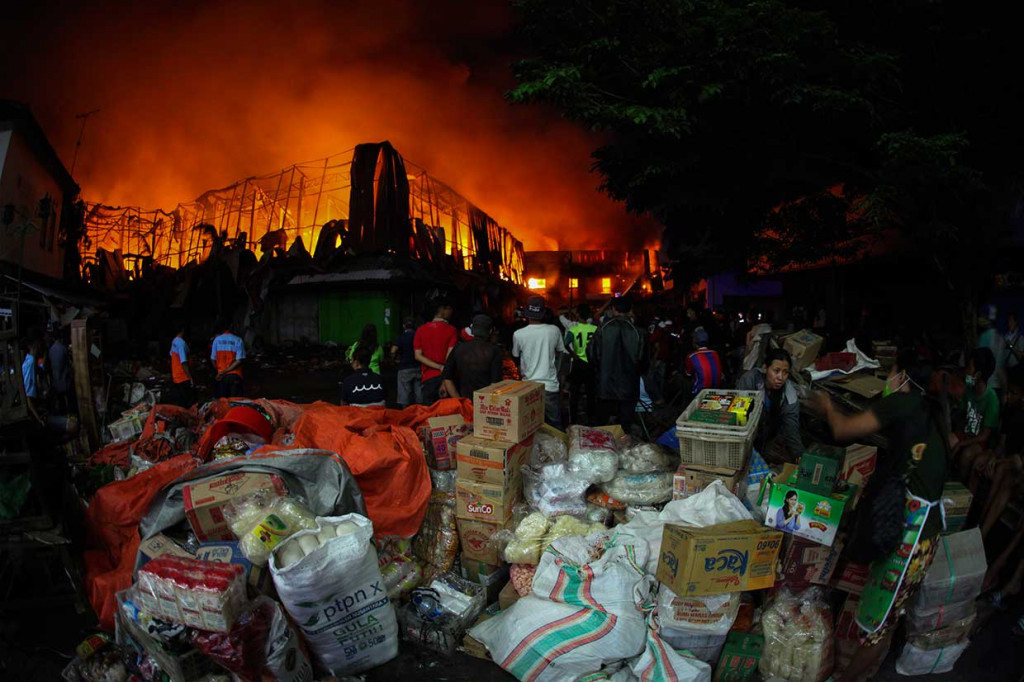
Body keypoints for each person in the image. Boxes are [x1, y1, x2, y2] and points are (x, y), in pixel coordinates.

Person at [814, 349, 950, 682]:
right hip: (927, 535)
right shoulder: (935, 410)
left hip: (909, 539)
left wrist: (827, 405)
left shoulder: (903, 403)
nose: (887, 379)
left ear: (902, 376)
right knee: (889, 617)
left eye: (890, 372)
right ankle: (867, 672)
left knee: (874, 623)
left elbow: (844, 430)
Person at [737, 348, 802, 462]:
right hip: (746, 434)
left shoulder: (789, 393)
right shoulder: (750, 380)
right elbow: (739, 416)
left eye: (785, 372)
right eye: (776, 371)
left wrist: (798, 453)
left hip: (768, 437)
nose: (780, 377)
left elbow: (791, 425)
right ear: (765, 368)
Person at [590, 297, 645, 431]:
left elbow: (592, 355)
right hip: (629, 386)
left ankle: (602, 450)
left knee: (602, 426)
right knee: (625, 427)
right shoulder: (638, 331)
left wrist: (600, 371)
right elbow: (643, 360)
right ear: (629, 310)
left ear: (613, 309)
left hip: (605, 385)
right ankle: (623, 449)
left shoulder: (603, 328)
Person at [513, 295, 566, 429]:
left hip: (528, 387)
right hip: (550, 386)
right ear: (543, 313)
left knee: (530, 427)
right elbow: (562, 353)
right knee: (555, 426)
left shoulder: (519, 334)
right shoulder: (554, 330)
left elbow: (515, 355)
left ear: (527, 313)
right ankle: (558, 449)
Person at [953, 347, 999, 485]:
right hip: (966, 433)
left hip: (980, 441)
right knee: (947, 441)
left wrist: (961, 443)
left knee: (967, 455)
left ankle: (960, 491)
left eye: (969, 368)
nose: (966, 371)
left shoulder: (991, 398)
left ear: (978, 374)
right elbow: (960, 414)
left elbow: (985, 436)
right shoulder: (968, 389)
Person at [441, 314, 502, 399]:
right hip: (485, 403)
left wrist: (459, 400)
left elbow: (447, 377)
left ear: (472, 330)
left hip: (465, 401)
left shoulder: (458, 348)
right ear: (490, 331)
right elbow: (496, 383)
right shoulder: (494, 350)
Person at [414, 300, 458, 404]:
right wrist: (444, 380)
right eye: (449, 309)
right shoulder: (451, 330)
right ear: (442, 310)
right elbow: (449, 358)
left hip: (428, 379)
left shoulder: (421, 330)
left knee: (429, 414)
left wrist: (438, 367)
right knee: (445, 414)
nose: (451, 312)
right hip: (446, 379)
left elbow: (418, 356)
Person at [566, 304, 598, 425]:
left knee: (574, 391)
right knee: (591, 391)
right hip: (590, 363)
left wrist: (572, 353)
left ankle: (573, 419)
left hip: (578, 362)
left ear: (578, 315)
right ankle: (591, 418)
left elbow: (565, 343)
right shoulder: (594, 328)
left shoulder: (573, 329)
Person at [977, 304, 1007, 399]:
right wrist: (1004, 391)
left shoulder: (984, 337)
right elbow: (1001, 369)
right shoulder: (1001, 339)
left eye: (982, 316)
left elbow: (978, 364)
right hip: (997, 387)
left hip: (984, 387)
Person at [211, 319, 246, 398]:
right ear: (231, 326)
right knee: (235, 401)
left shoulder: (217, 340)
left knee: (223, 402)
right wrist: (226, 371)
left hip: (221, 376)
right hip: (234, 375)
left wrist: (219, 371)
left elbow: (213, 359)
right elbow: (239, 360)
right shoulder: (238, 340)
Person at [392, 317, 422, 407]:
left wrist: (394, 360)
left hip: (404, 367)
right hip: (418, 366)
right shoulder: (418, 336)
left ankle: (406, 413)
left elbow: (393, 351)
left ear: (404, 326)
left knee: (404, 393)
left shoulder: (401, 337)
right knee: (419, 391)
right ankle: (420, 411)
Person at [685, 326, 723, 395]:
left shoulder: (692, 356)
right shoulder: (715, 353)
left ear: (695, 342)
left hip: (700, 391)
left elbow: (688, 374)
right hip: (716, 388)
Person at [169, 326, 196, 408]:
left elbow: (171, 354)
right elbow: (183, 362)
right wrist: (190, 377)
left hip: (177, 376)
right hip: (183, 377)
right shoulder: (181, 343)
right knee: (187, 403)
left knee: (181, 401)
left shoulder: (174, 341)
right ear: (183, 330)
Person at [21, 338, 44, 425]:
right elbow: (28, 398)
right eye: (37, 345)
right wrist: (39, 419)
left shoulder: (31, 361)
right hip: (32, 409)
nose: (39, 348)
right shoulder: (31, 363)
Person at [48, 329, 71, 414]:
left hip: (56, 382)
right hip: (65, 382)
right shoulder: (63, 348)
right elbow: (69, 362)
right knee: (67, 402)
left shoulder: (51, 350)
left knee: (61, 403)